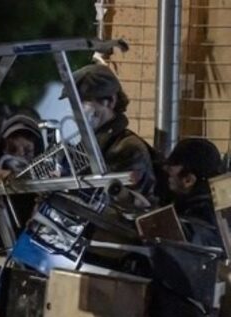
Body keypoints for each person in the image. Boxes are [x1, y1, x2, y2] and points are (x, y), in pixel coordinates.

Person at [65, 64, 158, 197]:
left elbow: (131, 205)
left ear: (110, 101)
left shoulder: (128, 149)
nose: (76, 110)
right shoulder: (91, 144)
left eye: (84, 102)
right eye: (73, 103)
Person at [164, 137, 226, 248]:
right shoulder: (218, 206)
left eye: (171, 168)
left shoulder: (195, 220)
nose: (167, 172)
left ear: (188, 180)